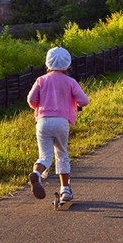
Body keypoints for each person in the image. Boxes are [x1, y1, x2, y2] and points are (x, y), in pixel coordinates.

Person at [27, 47, 90, 202]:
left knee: (45, 156)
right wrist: (73, 103)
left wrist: (40, 106)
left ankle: (36, 174)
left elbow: (31, 100)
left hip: (42, 122)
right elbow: (84, 101)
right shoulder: (70, 82)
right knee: (62, 154)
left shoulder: (41, 80)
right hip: (61, 122)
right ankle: (65, 190)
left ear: (47, 62)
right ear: (67, 64)